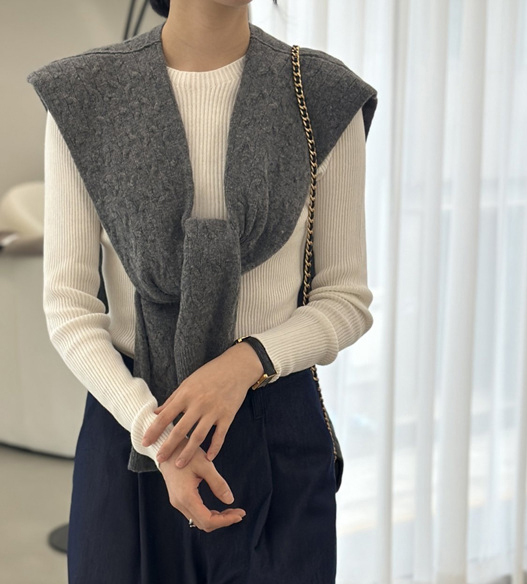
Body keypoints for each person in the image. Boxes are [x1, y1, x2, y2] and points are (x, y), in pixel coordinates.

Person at [29, 0, 377, 581]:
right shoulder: (85, 93)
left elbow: (345, 299)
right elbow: (70, 306)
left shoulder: (319, 93)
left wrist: (241, 366)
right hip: (131, 428)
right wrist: (157, 434)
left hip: (274, 426)